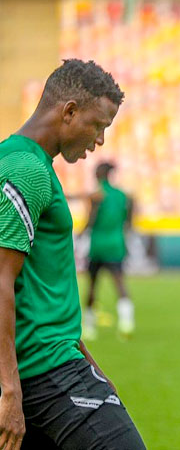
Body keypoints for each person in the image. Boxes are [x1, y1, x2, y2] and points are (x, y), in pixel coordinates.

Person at [0, 59, 145, 449]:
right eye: (98, 125)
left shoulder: (22, 161)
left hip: (52, 363)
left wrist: (91, 366)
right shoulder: (26, 170)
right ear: (69, 111)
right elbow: (1, 280)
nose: (100, 140)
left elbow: (41, 288)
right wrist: (9, 390)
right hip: (47, 371)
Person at [81, 162, 135, 340]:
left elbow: (91, 220)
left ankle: (89, 327)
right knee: (120, 283)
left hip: (98, 244)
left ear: (99, 174)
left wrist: (81, 233)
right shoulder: (123, 196)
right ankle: (127, 323)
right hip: (116, 244)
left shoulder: (97, 195)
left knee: (92, 285)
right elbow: (129, 222)